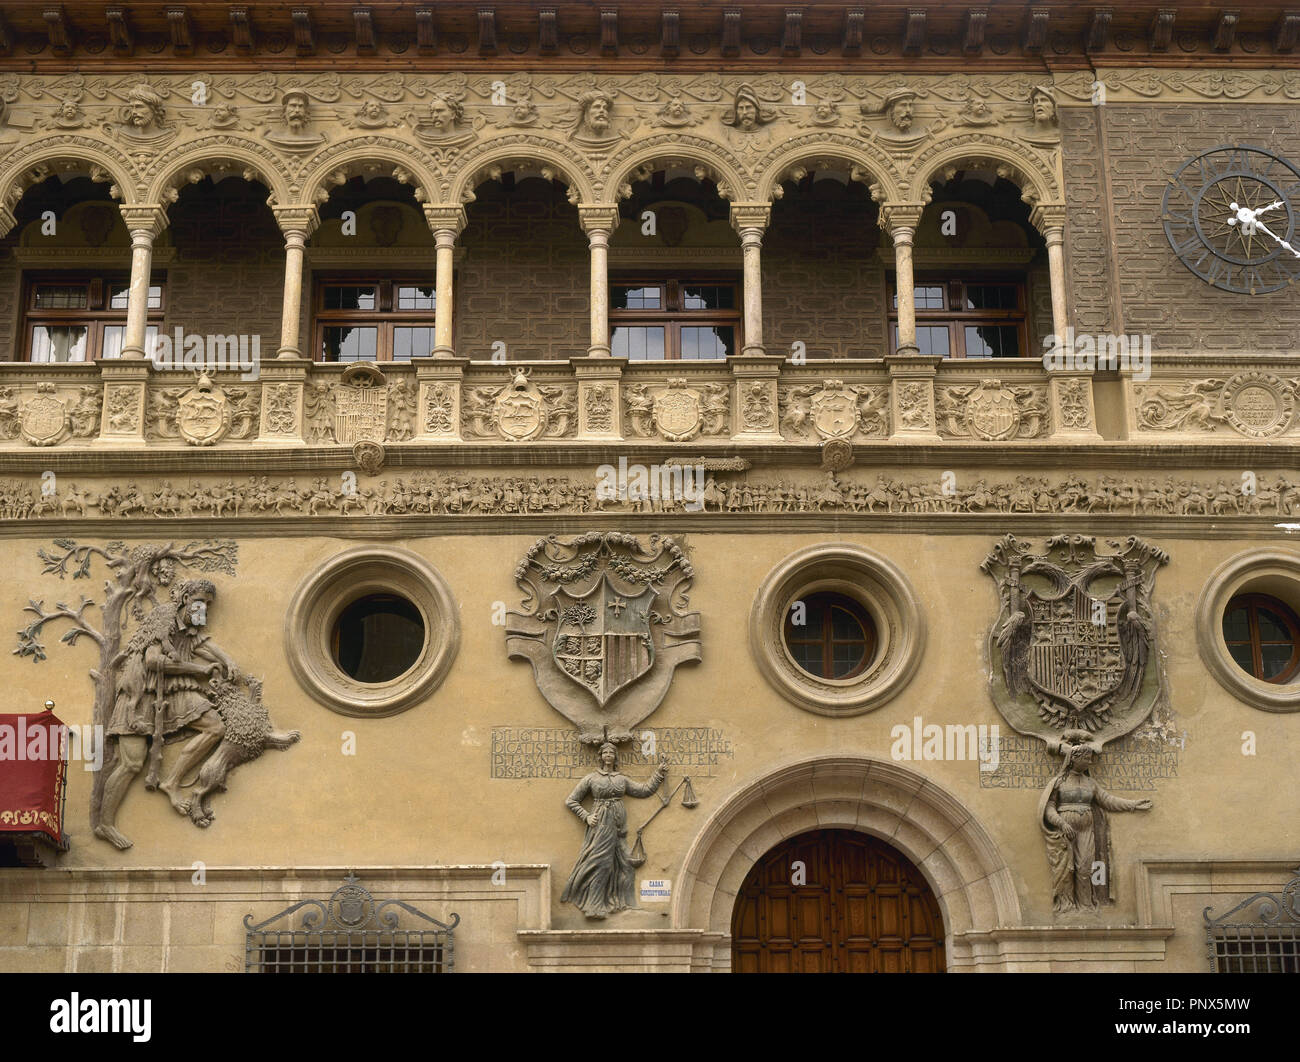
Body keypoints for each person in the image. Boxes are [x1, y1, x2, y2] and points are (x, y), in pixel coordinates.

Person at [95, 580, 236, 849]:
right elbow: (152, 660)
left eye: (208, 604)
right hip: (140, 696)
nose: (204, 607)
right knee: (132, 764)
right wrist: (198, 670)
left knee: (215, 726)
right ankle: (105, 824)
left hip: (171, 692)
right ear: (184, 598)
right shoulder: (165, 617)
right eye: (199, 601)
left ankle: (170, 782)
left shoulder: (190, 625)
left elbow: (201, 645)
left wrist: (228, 661)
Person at [1039, 730, 1152, 912]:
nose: (1090, 762)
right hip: (1065, 830)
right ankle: (1066, 905)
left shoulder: (1090, 783)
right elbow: (1048, 807)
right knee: (1066, 869)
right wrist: (1061, 823)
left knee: (1085, 867)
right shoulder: (1059, 782)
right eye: (1086, 758)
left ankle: (1085, 906)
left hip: (1086, 829)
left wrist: (1133, 804)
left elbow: (1107, 800)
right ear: (1074, 758)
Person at [561, 744, 669, 918]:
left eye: (612, 752)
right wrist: (586, 816)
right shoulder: (592, 778)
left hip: (619, 828)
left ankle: (626, 902)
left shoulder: (621, 779)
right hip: (602, 827)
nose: (608, 755)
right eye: (605, 752)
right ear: (601, 756)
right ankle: (593, 907)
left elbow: (643, 790)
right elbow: (571, 800)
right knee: (601, 864)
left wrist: (659, 774)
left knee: (627, 864)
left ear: (615, 756)